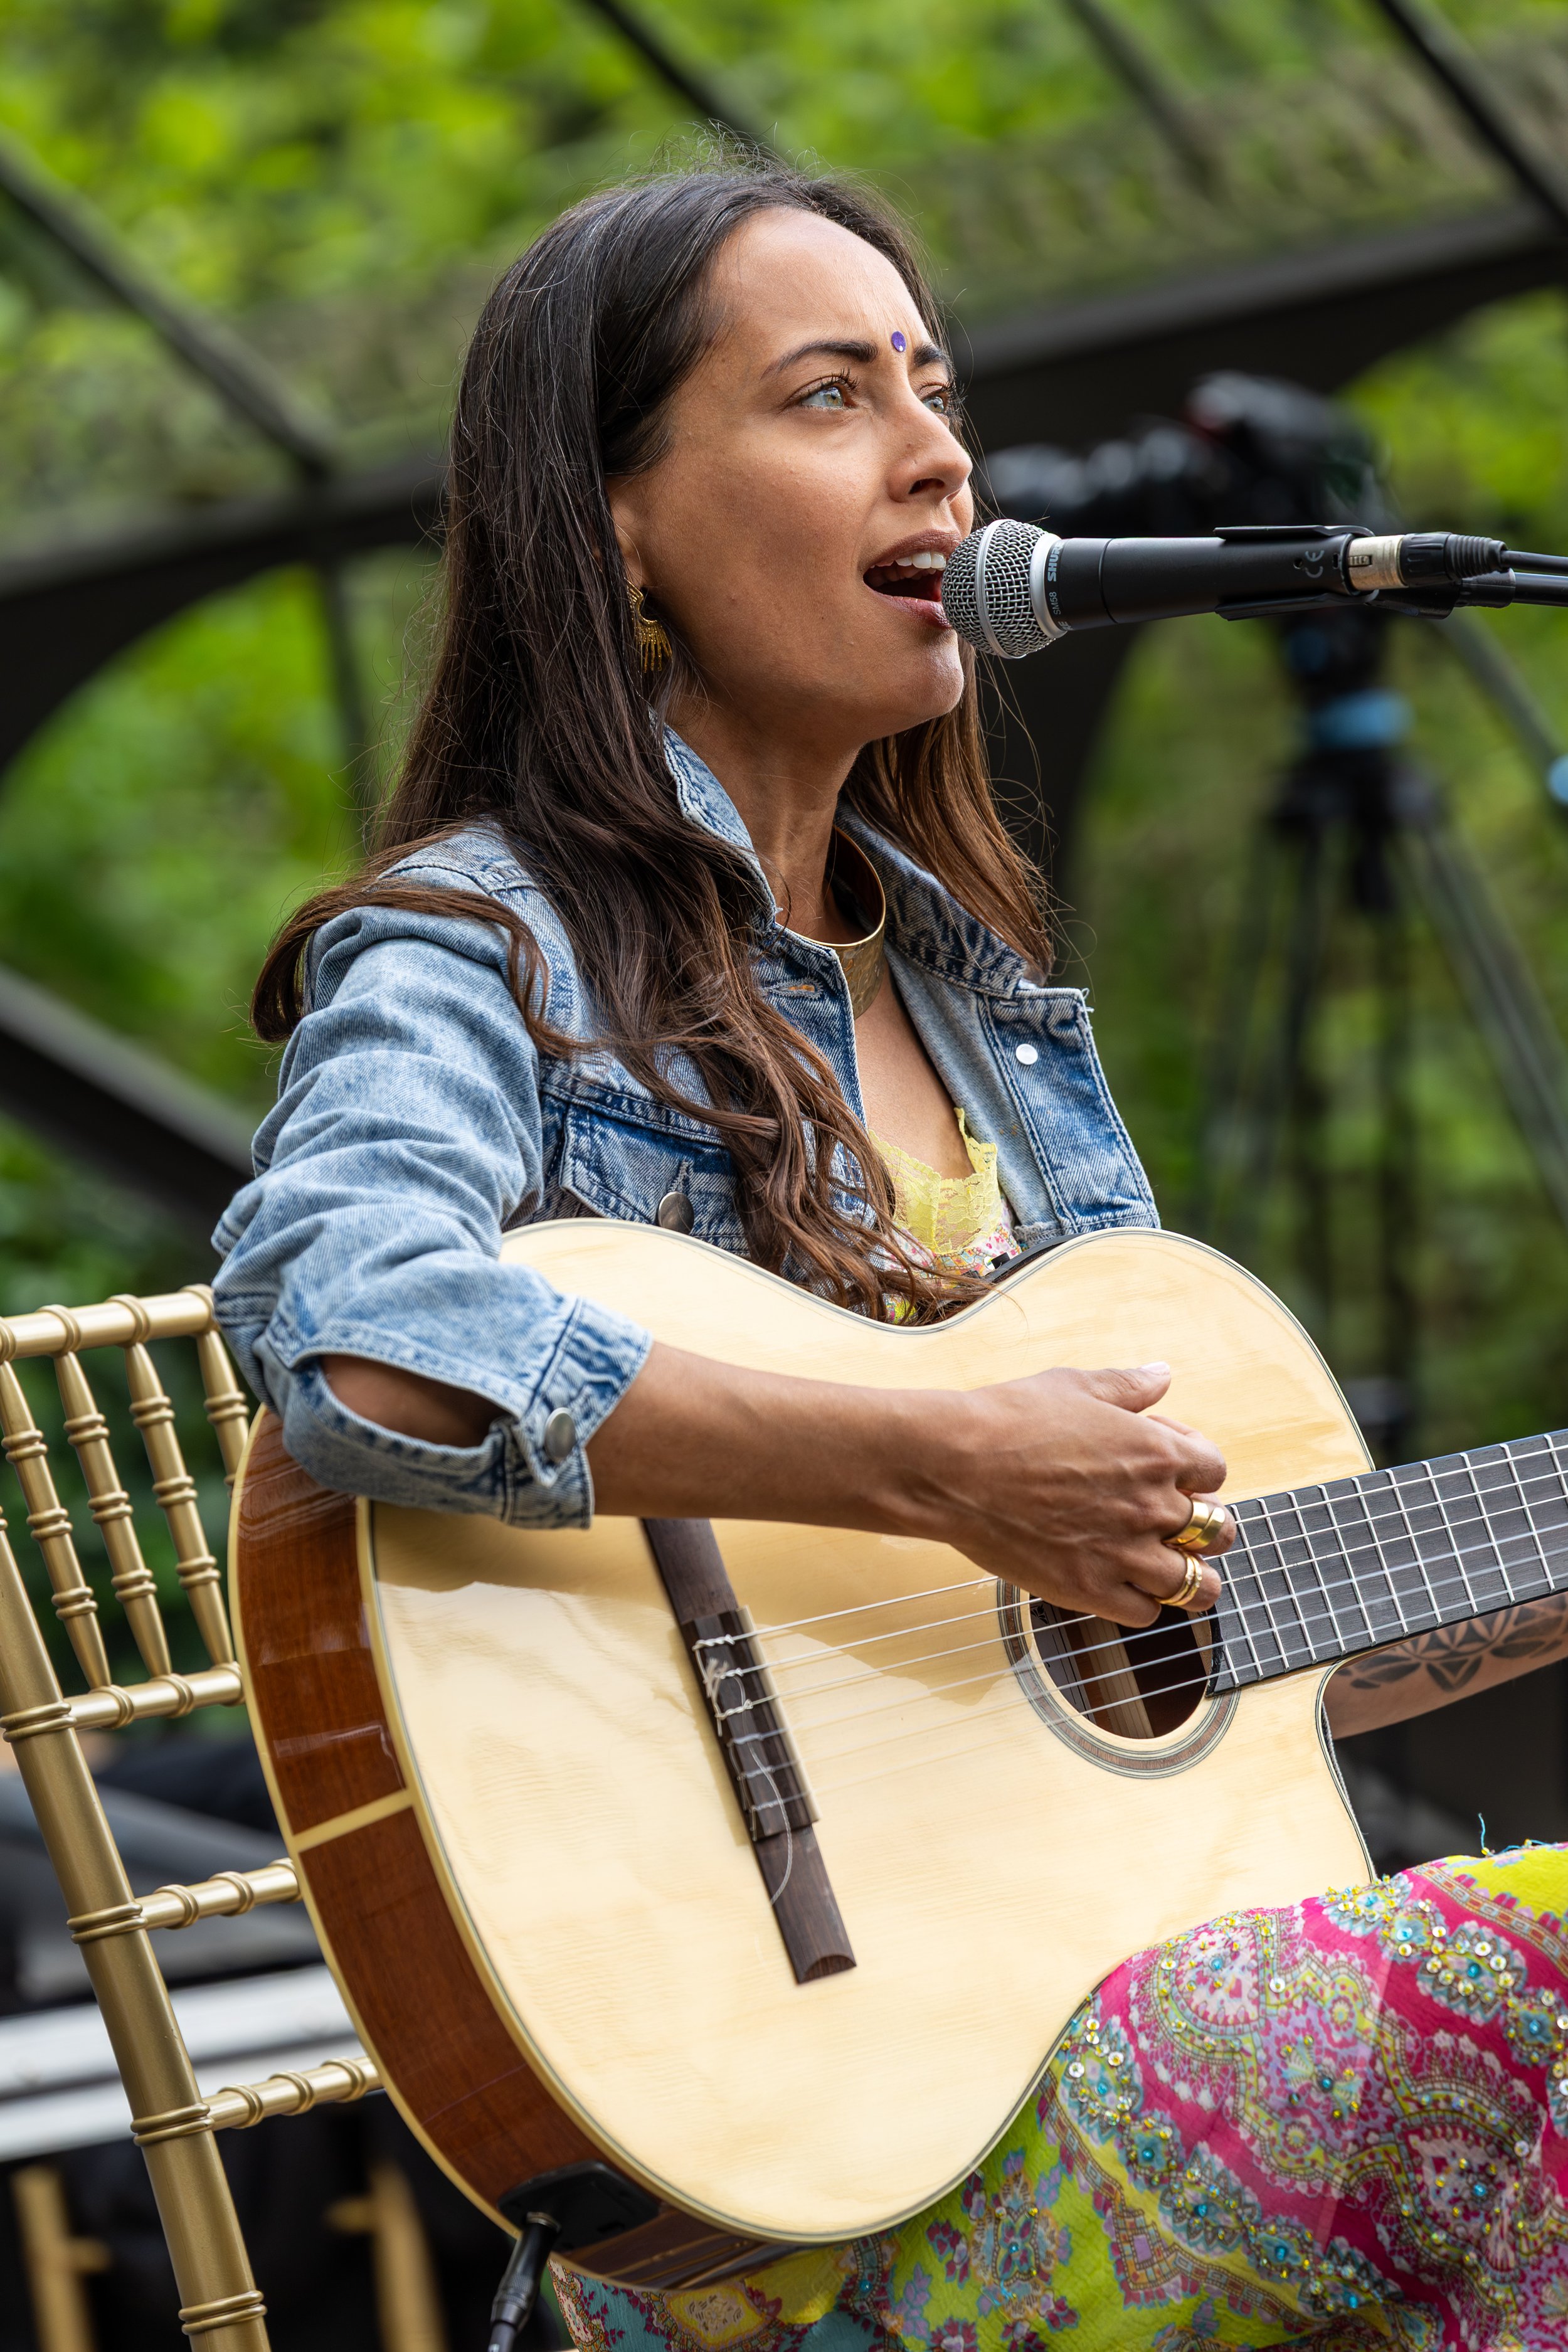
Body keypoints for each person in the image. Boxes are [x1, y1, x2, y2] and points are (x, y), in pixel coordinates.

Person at [216, 160, 1568, 2352]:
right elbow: (349, 1330)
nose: (938, 452)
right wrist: (930, 1469)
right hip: (784, 2185)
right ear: (613, 524)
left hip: (1070, 2037)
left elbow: (1197, 1660)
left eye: (935, 387)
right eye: (829, 395)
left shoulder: (980, 1004)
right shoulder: (478, 944)